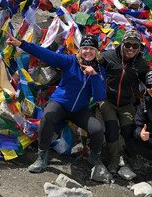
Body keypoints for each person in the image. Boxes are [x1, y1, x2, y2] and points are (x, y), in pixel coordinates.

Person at [6, 34, 108, 174]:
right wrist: (22, 44)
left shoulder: (100, 70)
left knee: (97, 129)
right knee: (48, 116)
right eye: (84, 48)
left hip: (79, 110)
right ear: (79, 50)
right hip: (60, 103)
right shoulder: (70, 61)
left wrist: (94, 76)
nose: (88, 51)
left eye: (91, 48)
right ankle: (42, 156)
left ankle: (94, 158)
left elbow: (99, 96)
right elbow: (46, 54)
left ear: (96, 52)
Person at [99, 30, 152, 174]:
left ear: (139, 48)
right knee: (111, 127)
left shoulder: (141, 65)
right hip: (107, 101)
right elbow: (93, 66)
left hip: (127, 104)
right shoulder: (108, 57)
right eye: (128, 44)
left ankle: (132, 156)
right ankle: (114, 160)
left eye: (135, 46)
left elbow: (150, 82)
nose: (131, 49)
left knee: (129, 132)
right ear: (122, 43)